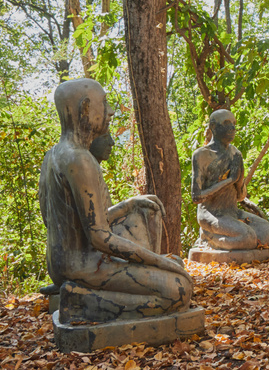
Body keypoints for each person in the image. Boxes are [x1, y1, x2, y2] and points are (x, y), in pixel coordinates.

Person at [38, 78, 192, 322]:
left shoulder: (53, 154)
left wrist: (130, 204)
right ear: (86, 108)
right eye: (105, 103)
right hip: (83, 267)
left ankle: (81, 294)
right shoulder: (80, 159)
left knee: (164, 256)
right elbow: (98, 236)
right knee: (180, 289)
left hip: (60, 265)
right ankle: (81, 302)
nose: (110, 111)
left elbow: (65, 222)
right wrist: (159, 261)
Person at [191, 109, 269, 251]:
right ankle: (208, 237)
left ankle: (231, 238)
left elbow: (240, 197)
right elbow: (196, 197)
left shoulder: (235, 153)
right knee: (248, 239)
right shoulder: (201, 155)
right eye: (226, 123)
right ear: (213, 126)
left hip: (232, 211)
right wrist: (228, 181)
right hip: (210, 213)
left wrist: (239, 180)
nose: (232, 128)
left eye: (234, 123)